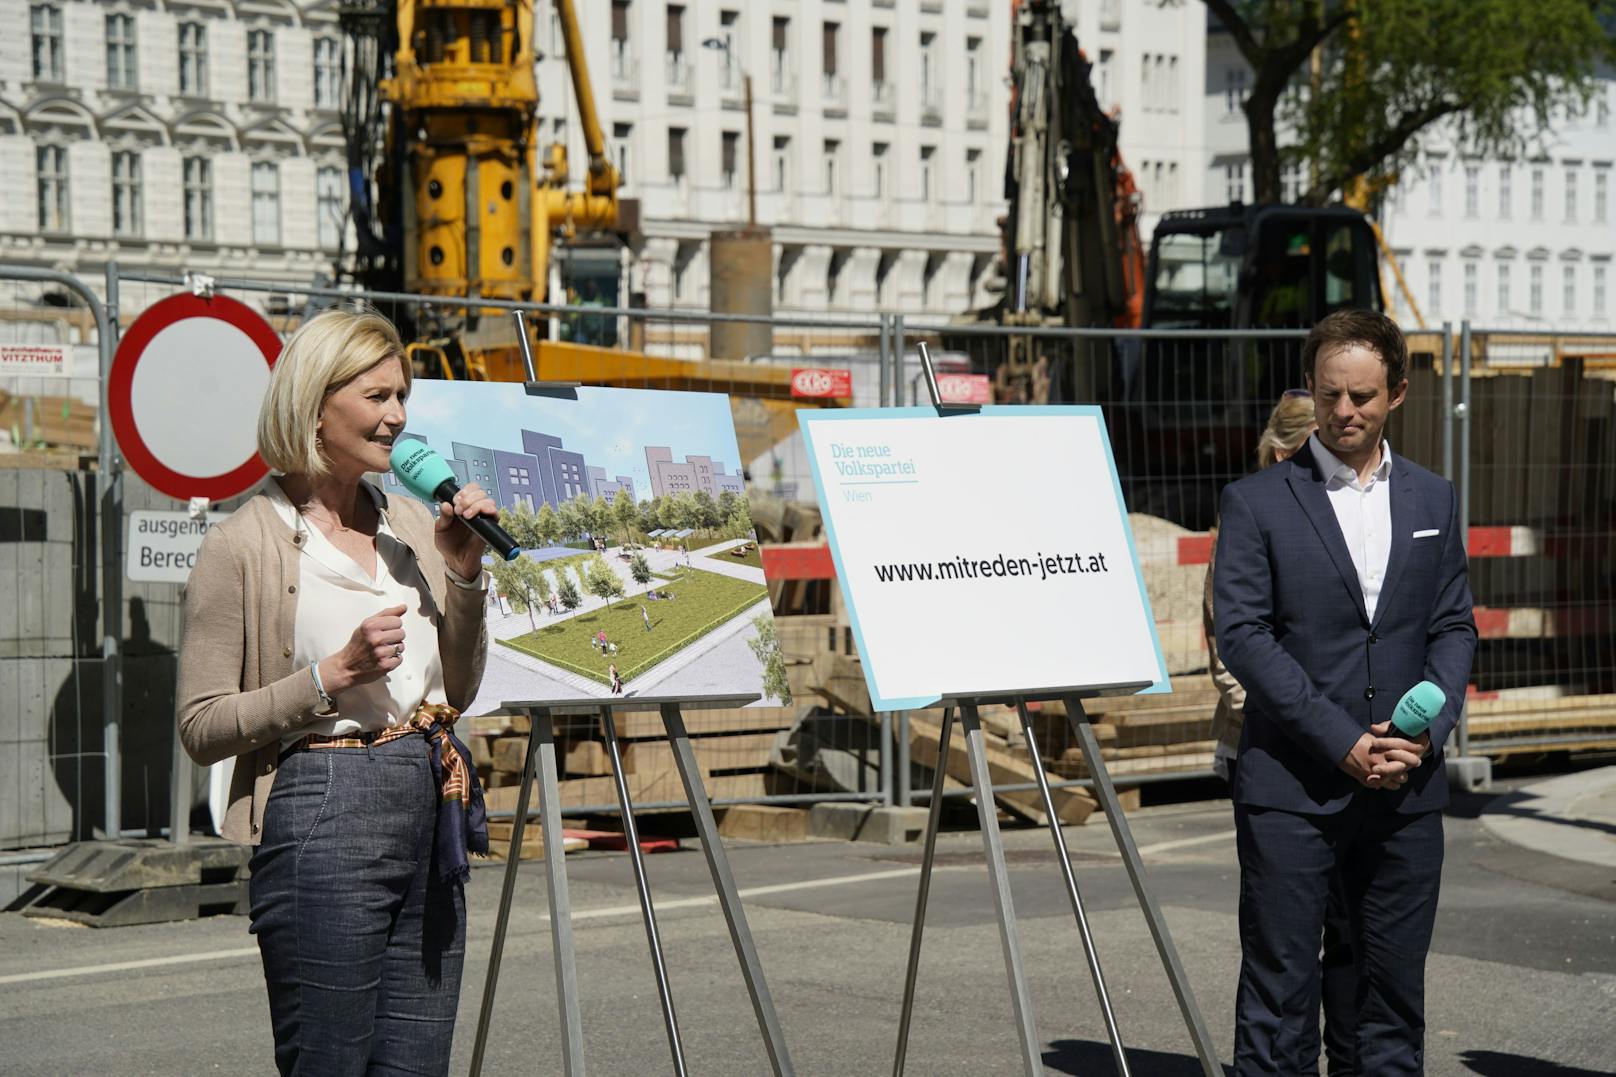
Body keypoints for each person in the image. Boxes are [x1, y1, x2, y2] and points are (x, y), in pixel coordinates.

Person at [177, 309, 495, 1077]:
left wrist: (462, 575)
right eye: (378, 395)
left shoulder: (413, 524)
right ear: (316, 403)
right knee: (330, 1061)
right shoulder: (242, 543)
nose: (399, 416)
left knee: (417, 1064)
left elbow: (461, 684)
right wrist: (328, 678)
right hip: (323, 800)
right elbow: (200, 724)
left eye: (403, 396)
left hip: (431, 792)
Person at [1214, 308, 1476, 1076]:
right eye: (1330, 395)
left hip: (1405, 791)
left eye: (1361, 396)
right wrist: (1342, 740)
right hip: (1291, 790)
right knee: (1279, 998)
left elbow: (1453, 625)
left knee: (1389, 998)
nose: (1344, 413)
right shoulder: (1257, 501)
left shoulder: (1434, 500)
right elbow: (1245, 638)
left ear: (1396, 392)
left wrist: (1431, 724)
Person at [1205, 390, 1357, 1074]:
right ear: (1278, 452)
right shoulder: (1252, 513)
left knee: (1349, 940)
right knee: (1282, 949)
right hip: (1268, 747)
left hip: (1350, 750)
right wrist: (1301, 714)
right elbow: (1234, 650)